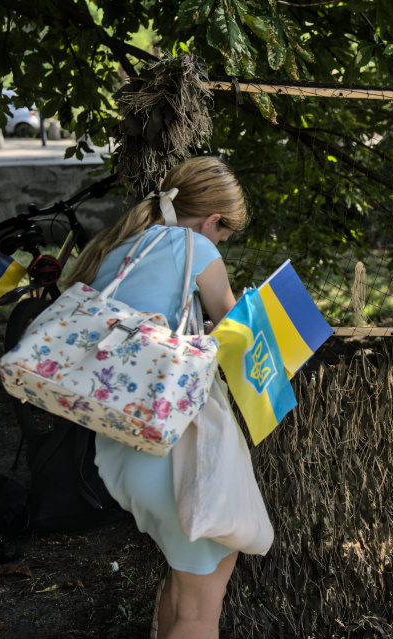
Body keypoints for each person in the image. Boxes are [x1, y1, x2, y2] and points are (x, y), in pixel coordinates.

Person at [65, 156, 247, 639]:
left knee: (184, 580)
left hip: (118, 445)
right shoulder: (196, 249)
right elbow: (239, 336)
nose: (219, 243)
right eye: (223, 234)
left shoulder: (121, 248)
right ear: (211, 221)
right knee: (200, 608)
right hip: (168, 451)